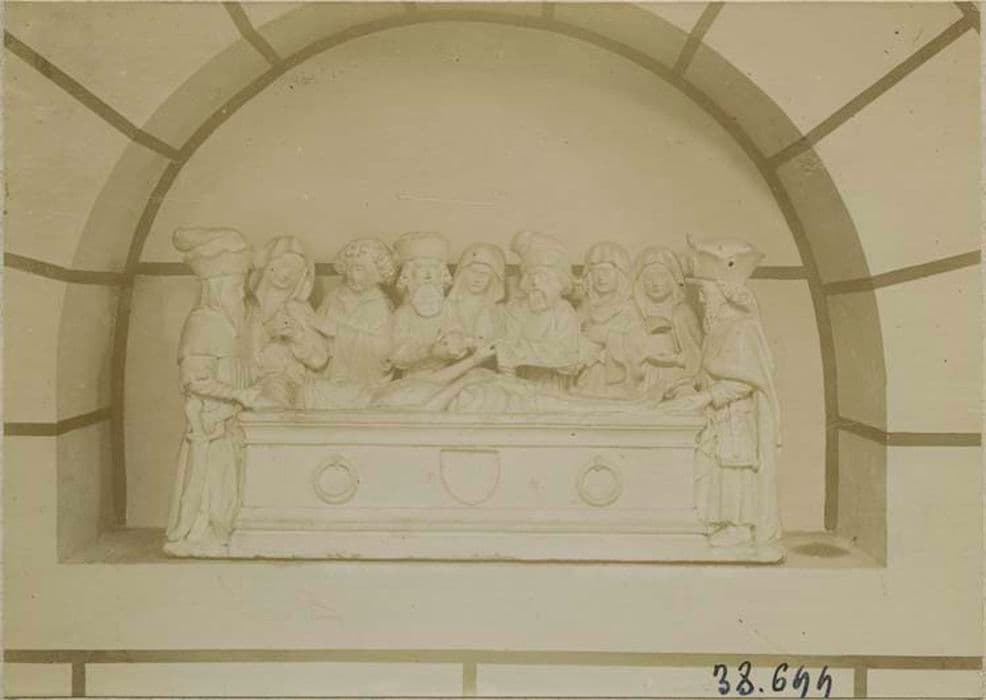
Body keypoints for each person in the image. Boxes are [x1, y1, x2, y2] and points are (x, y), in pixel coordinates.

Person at [666, 236, 782, 556]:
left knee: (735, 470)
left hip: (736, 416)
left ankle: (739, 527)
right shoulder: (717, 327)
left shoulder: (743, 328)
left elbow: (745, 381)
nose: (702, 300)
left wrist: (706, 397)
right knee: (717, 469)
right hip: (718, 415)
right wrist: (687, 383)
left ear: (724, 293)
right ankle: (721, 522)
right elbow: (711, 370)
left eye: (706, 293)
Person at [164, 227, 261, 557]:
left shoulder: (236, 322)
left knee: (229, 483)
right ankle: (198, 534)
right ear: (217, 287)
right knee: (209, 483)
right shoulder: (203, 321)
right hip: (210, 421)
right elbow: (195, 380)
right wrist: (239, 395)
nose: (241, 292)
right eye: (235, 286)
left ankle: (221, 533)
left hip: (233, 420)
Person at [494, 231, 596, 392]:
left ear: (559, 283)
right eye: (531, 276)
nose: (535, 282)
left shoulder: (564, 312)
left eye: (544, 277)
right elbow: (506, 348)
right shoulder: (517, 309)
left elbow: (567, 356)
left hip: (553, 386)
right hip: (519, 383)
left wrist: (519, 352)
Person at [245, 236, 327, 407]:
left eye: (296, 269)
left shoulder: (299, 309)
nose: (287, 273)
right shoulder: (247, 307)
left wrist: (297, 336)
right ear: (268, 265)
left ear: (303, 276)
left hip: (285, 385)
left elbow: (319, 359)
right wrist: (267, 334)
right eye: (283, 264)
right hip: (246, 383)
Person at [315, 238, 397, 388]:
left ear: (377, 272)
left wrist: (338, 332)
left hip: (365, 381)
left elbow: (384, 352)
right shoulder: (333, 297)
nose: (353, 276)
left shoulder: (380, 305)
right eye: (350, 269)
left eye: (360, 269)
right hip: (331, 374)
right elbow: (316, 331)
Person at [628, 246, 703, 399]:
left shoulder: (683, 313)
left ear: (673, 279)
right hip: (640, 377)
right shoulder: (631, 312)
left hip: (675, 377)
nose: (655, 283)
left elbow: (696, 356)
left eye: (661, 276)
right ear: (640, 282)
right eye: (649, 277)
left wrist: (674, 359)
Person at [573, 241, 641, 398]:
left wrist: (607, 336)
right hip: (585, 374)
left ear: (620, 275)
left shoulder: (628, 309)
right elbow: (572, 333)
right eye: (596, 271)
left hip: (616, 380)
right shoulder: (586, 306)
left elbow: (637, 345)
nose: (600, 277)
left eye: (606, 271)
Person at [389, 232, 457, 375]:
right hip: (415, 377)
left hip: (450, 373)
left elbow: (459, 338)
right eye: (420, 267)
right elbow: (396, 356)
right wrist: (428, 351)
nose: (428, 275)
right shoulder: (403, 314)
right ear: (408, 275)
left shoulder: (449, 309)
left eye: (434, 267)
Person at [442, 242, 507, 351]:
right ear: (463, 273)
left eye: (485, 274)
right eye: (473, 271)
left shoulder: (498, 311)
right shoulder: (448, 306)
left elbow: (501, 342)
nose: (478, 278)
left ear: (493, 279)